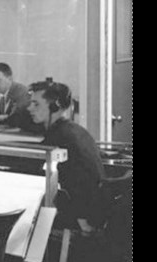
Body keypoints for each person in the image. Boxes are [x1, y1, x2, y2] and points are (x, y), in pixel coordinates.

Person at [27, 80, 105, 234]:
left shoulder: (59, 137)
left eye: (36, 104)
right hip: (93, 211)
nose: (29, 108)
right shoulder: (74, 130)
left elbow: (78, 184)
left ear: (54, 107)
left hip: (81, 218)